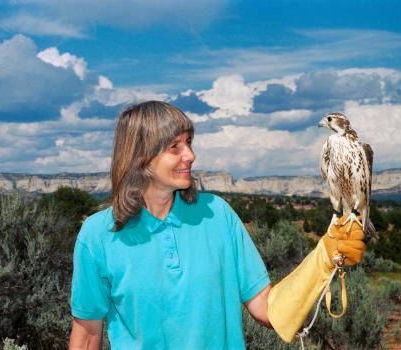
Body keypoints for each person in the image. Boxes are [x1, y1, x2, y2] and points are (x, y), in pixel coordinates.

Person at [68, 101, 366, 349]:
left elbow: (264, 306)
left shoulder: (216, 214)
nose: (190, 155)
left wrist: (323, 259)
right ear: (140, 157)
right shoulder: (98, 235)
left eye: (189, 143)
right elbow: (87, 334)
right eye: (175, 147)